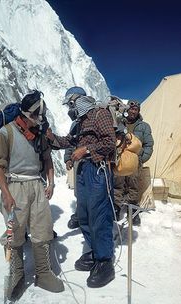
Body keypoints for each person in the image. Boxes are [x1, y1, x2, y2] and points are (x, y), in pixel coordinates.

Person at [0, 90, 64, 300]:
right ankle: (17, 273)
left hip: (37, 186)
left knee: (42, 229)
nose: (39, 120)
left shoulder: (39, 135)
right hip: (15, 186)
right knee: (15, 231)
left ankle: (43, 273)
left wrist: (50, 183)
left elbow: (47, 158)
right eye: (36, 116)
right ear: (25, 114)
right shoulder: (6, 134)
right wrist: (6, 194)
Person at [46, 87, 116, 288]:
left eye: (71, 103)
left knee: (99, 215)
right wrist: (52, 138)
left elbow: (109, 142)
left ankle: (105, 261)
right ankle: (95, 251)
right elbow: (69, 142)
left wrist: (86, 149)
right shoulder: (78, 123)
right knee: (84, 214)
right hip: (84, 171)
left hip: (98, 170)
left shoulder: (98, 114)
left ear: (78, 100)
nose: (69, 108)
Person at [114, 99, 154, 225]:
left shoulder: (144, 126)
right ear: (127, 110)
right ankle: (116, 207)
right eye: (131, 109)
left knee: (133, 185)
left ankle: (133, 209)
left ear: (138, 111)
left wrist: (142, 159)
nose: (133, 111)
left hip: (135, 162)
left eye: (135, 109)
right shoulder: (119, 123)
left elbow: (149, 144)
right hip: (120, 160)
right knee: (117, 185)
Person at [63, 87, 87, 230]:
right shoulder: (75, 124)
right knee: (79, 192)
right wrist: (68, 158)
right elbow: (71, 141)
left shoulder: (95, 117)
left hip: (95, 163)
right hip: (79, 163)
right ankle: (80, 215)